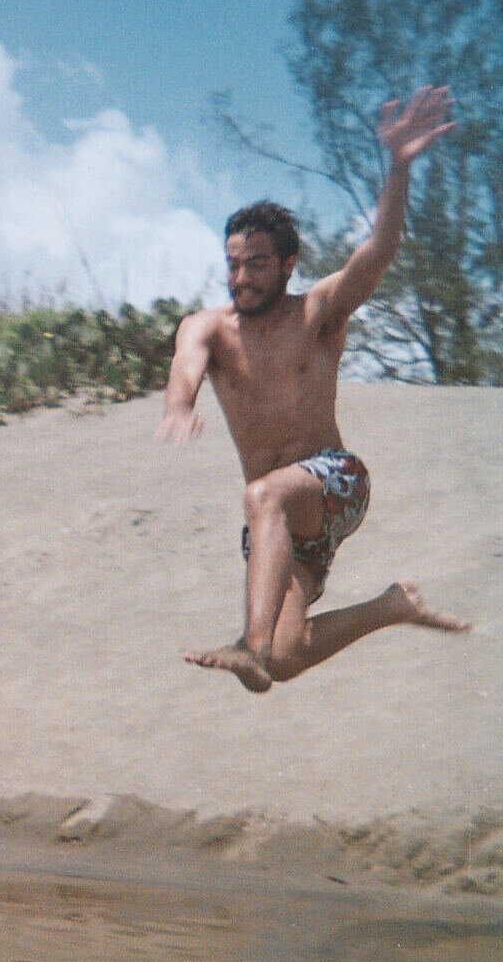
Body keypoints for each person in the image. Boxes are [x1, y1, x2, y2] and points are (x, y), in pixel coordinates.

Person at [156, 86, 469, 693]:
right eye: (234, 263)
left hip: (336, 481)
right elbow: (185, 362)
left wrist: (399, 167)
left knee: (262, 496)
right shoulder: (208, 327)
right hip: (282, 525)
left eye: (257, 264)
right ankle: (391, 607)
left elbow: (378, 253)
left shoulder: (318, 313)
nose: (241, 277)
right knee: (282, 658)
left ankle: (246, 642)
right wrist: (178, 405)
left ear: (289, 264)